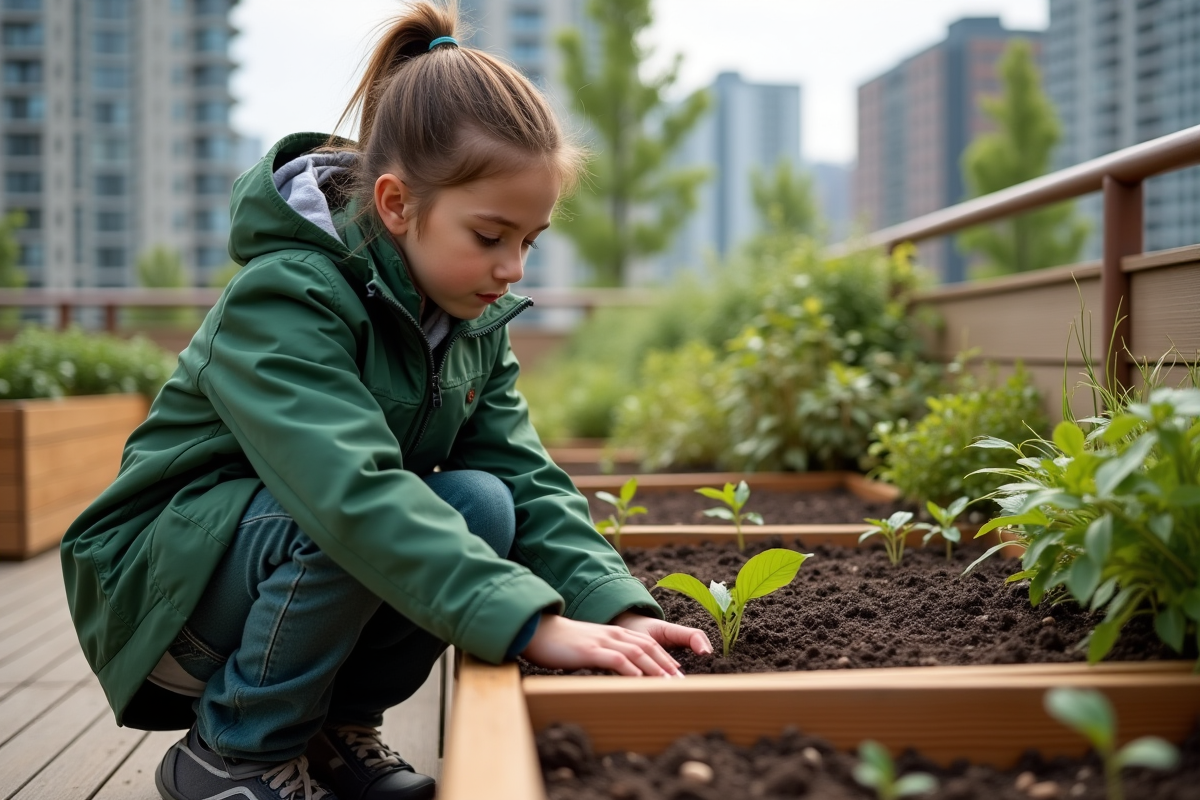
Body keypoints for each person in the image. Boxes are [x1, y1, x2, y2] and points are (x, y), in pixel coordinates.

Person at [59, 4, 712, 800]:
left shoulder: (468, 321)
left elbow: (528, 476)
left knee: (482, 499)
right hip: (164, 598)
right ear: (399, 205)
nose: (512, 267)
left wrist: (610, 606)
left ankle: (333, 732)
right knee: (333, 515)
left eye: (529, 242)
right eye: (490, 234)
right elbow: (347, 491)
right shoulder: (285, 299)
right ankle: (234, 756)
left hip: (280, 565)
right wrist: (529, 623)